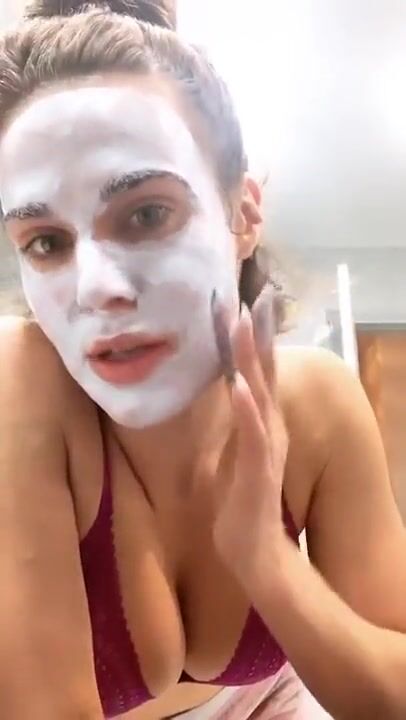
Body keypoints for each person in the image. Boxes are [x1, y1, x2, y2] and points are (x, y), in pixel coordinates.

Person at [0, 2, 406, 719]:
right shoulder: (20, 386)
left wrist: (270, 561)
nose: (96, 288)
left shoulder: (315, 402)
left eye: (147, 214)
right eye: (46, 242)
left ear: (243, 215)